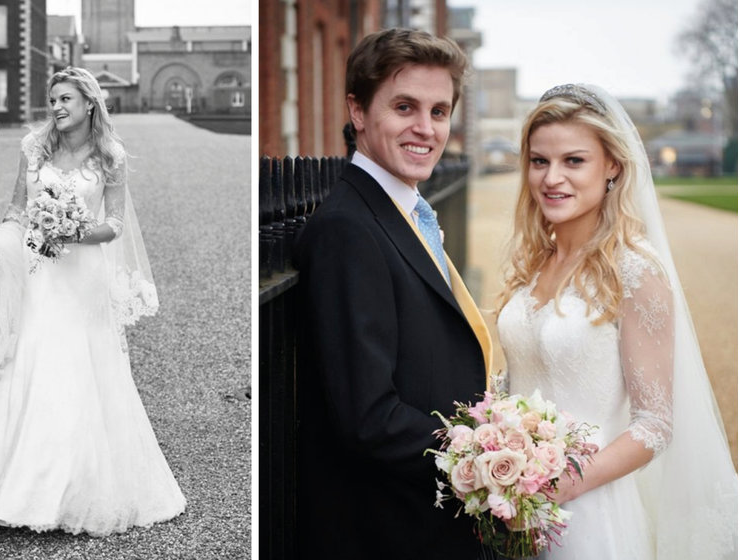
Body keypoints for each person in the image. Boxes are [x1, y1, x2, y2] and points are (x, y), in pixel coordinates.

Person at [496, 83, 737, 559]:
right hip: (513, 508)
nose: (551, 178)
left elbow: (653, 426)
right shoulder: (533, 263)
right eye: (539, 161)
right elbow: (524, 377)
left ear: (612, 167)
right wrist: (489, 445)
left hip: (587, 519)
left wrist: (562, 487)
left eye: (574, 161)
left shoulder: (635, 270)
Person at [292, 29, 495, 559]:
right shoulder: (348, 229)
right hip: (388, 530)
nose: (425, 129)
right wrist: (488, 452)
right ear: (358, 111)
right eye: (405, 107)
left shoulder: (402, 212)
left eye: (439, 111)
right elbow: (368, 417)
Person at [0, 67, 186, 535]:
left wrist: (75, 230)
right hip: (39, 274)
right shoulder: (33, 148)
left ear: (89, 104)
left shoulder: (110, 156)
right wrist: (5, 241)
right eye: (53, 100)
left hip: (82, 278)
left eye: (66, 99)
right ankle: (16, 488)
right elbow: (19, 209)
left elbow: (116, 224)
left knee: (82, 368)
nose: (57, 108)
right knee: (32, 361)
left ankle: (76, 490)